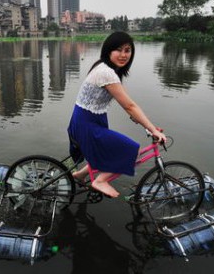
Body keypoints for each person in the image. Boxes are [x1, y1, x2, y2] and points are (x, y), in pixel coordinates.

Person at [67, 31, 166, 198]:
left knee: (109, 151)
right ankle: (99, 181)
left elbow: (127, 103)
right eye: (118, 50)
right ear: (108, 51)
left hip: (87, 120)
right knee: (131, 150)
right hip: (87, 124)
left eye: (127, 50)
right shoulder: (106, 72)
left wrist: (147, 125)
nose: (123, 55)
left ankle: (80, 175)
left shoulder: (107, 68)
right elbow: (129, 106)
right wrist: (152, 129)